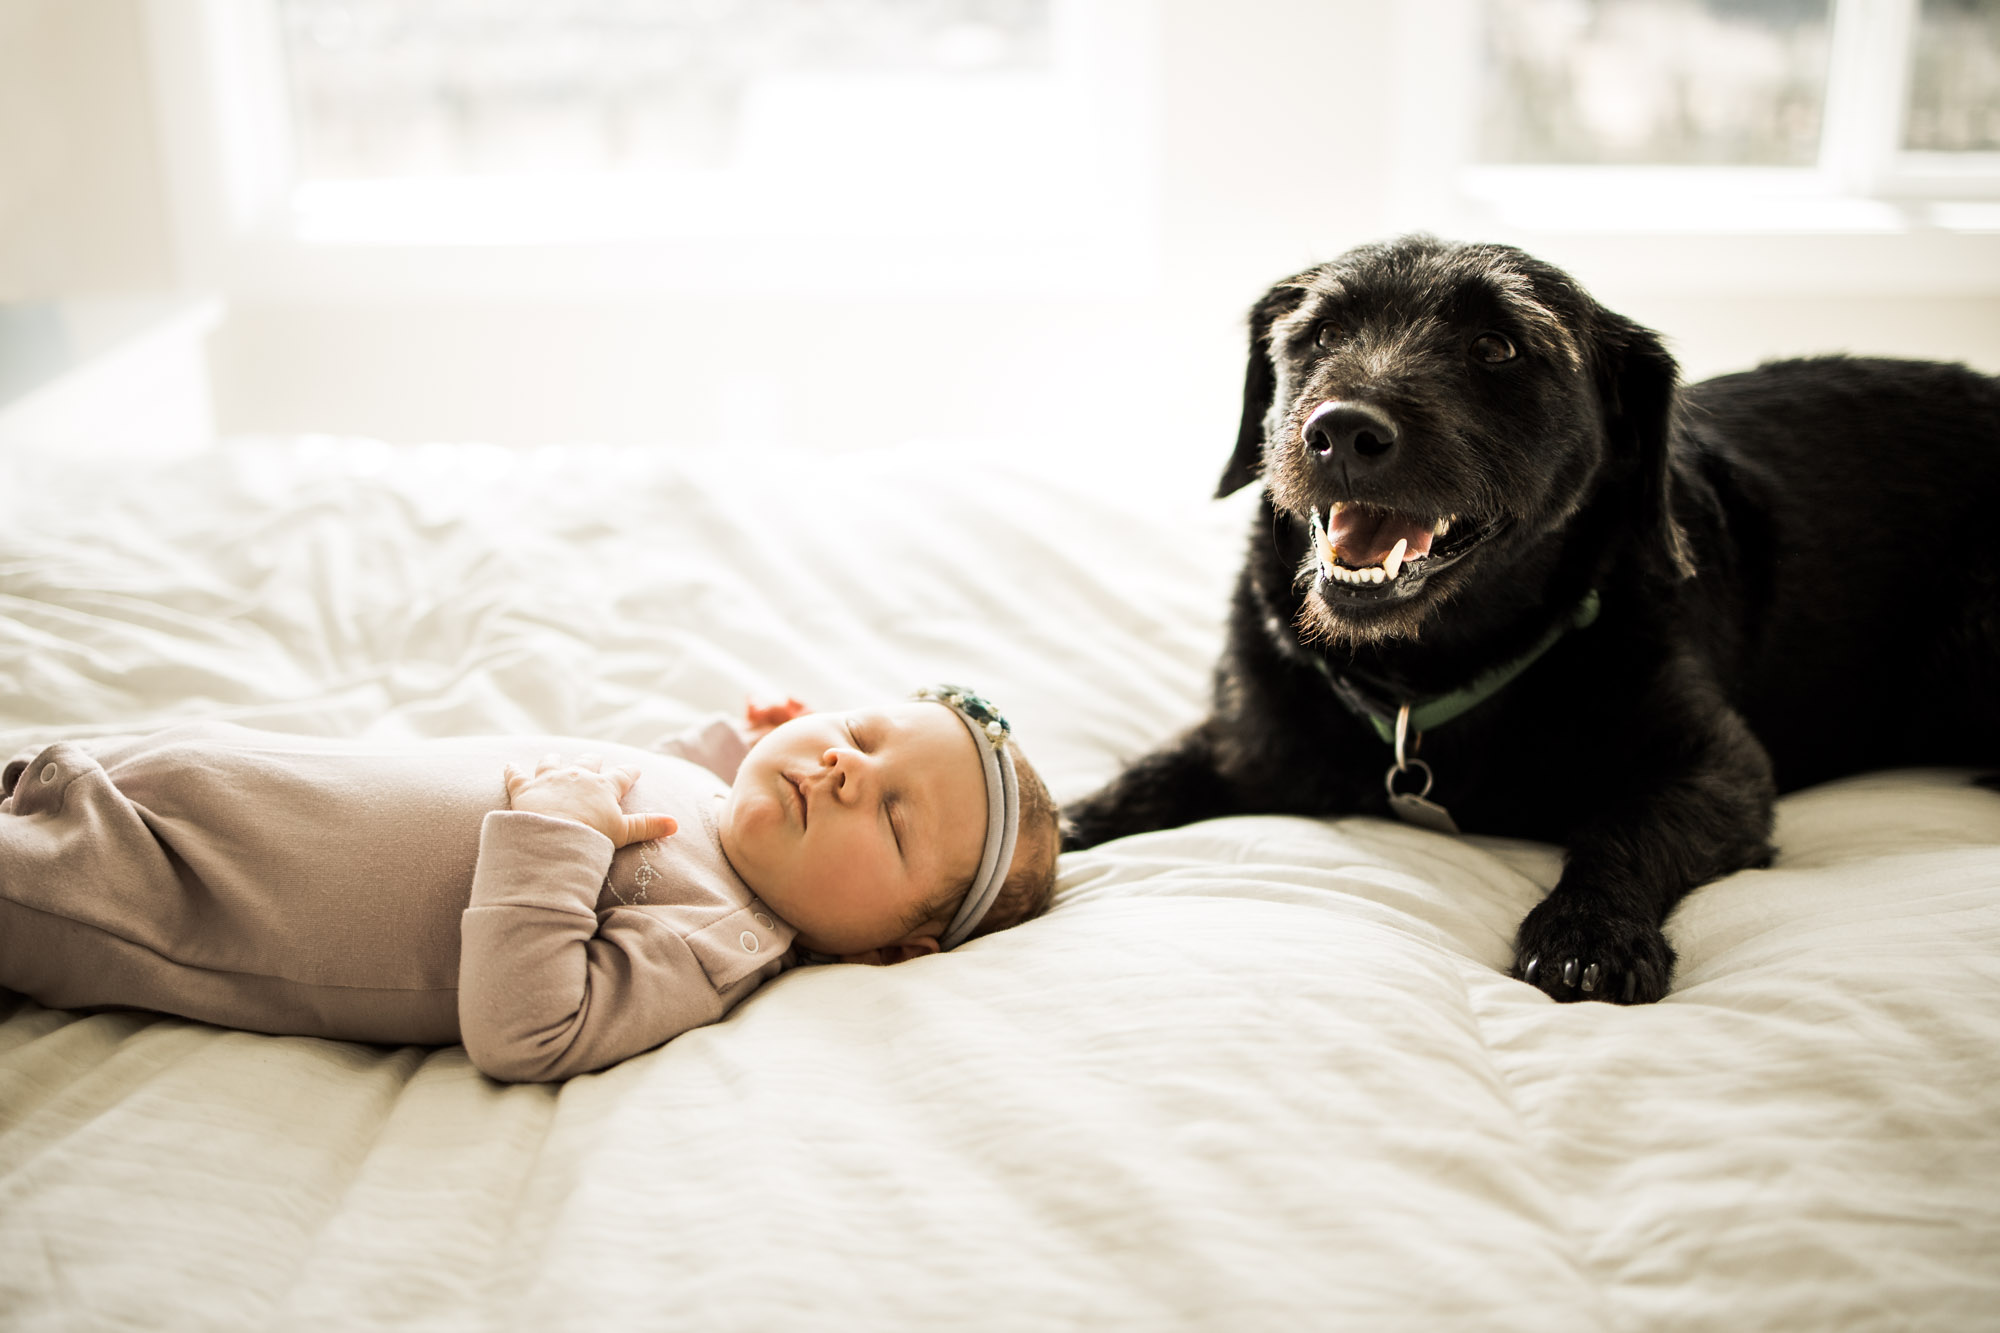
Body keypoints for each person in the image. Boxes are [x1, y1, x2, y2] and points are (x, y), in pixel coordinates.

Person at [0, 685, 1059, 1082]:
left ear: (888, 947)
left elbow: (529, 1027)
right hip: (157, 772)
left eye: (892, 813)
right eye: (863, 733)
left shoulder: (719, 937)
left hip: (142, 886)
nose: (845, 769)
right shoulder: (706, 793)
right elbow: (633, 784)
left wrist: (551, 831)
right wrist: (724, 739)